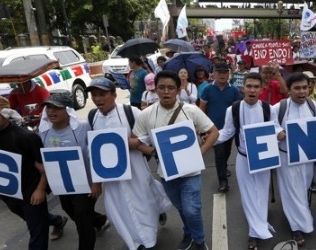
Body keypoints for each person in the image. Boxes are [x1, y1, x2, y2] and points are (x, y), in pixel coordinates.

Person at [133, 70, 219, 250]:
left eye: (171, 88)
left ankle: (199, 240)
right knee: (181, 207)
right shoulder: (146, 114)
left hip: (191, 171)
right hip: (166, 173)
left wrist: (200, 152)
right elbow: (134, 140)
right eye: (162, 87)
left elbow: (213, 132)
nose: (166, 92)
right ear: (155, 90)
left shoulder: (191, 111)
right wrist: (152, 150)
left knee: (191, 209)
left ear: (178, 90)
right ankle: (188, 232)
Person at [85, 77, 171, 250]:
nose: (98, 99)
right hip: (111, 177)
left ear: (114, 95)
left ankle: (148, 241)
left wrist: (136, 142)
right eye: (94, 95)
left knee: (142, 203)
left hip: (135, 171)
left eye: (102, 94)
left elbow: (151, 136)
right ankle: (136, 242)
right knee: (117, 210)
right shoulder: (92, 117)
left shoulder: (130, 112)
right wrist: (96, 183)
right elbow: (93, 151)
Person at [215, 73, 282, 249]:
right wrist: (210, 138)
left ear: (261, 89)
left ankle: (257, 227)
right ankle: (255, 233)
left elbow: (276, 128)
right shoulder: (234, 109)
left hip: (264, 158)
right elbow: (227, 132)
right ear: (243, 88)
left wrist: (283, 133)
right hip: (243, 158)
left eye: (256, 87)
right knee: (248, 196)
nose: (252, 90)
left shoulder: (269, 109)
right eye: (249, 86)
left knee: (260, 194)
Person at [38, 90, 110, 250]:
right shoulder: (43, 131)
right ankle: (100, 221)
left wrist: (96, 183)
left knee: (82, 219)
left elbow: (96, 155)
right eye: (48, 107)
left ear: (68, 110)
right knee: (69, 209)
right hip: (63, 184)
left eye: (56, 108)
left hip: (86, 184)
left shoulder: (83, 127)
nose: (51, 111)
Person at [0, 94, 50, 250]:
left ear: (6, 114)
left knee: (37, 233)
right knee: (33, 219)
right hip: (7, 191)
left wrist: (40, 190)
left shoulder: (26, 137)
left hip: (31, 191)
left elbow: (46, 166)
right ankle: (56, 220)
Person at [8, 79, 68, 240]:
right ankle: (56, 220)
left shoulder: (41, 91)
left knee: (37, 218)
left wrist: (40, 187)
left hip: (37, 127)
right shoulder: (14, 93)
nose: (19, 85)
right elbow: (11, 109)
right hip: (23, 124)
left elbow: (48, 108)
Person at [273, 72, 316, 247]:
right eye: (297, 88)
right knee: (291, 191)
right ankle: (297, 226)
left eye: (305, 88)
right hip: (287, 157)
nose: (302, 92)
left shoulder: (314, 105)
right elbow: (273, 125)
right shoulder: (279, 107)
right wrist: (278, 132)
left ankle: (300, 217)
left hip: (307, 157)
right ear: (289, 90)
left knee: (303, 188)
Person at [200, 62, 240, 193]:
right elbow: (202, 109)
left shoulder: (234, 90)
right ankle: (223, 181)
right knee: (220, 154)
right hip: (213, 130)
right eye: (219, 72)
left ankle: (224, 166)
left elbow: (237, 109)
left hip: (229, 130)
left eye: (225, 72)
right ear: (214, 74)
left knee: (227, 151)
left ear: (229, 74)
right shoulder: (207, 89)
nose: (222, 75)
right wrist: (202, 129)